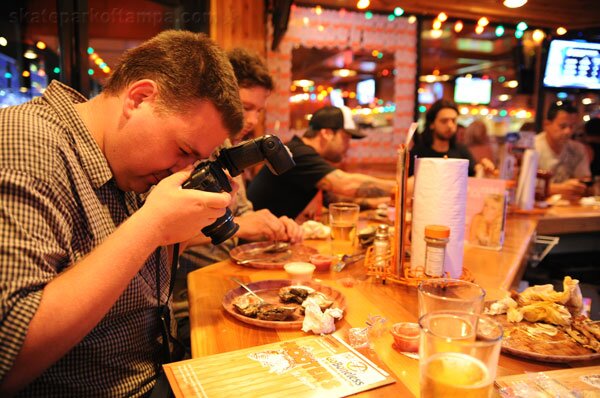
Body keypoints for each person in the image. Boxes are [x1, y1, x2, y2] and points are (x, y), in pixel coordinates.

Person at [0, 30, 243, 396]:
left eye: (195, 160)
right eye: (182, 149)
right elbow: (9, 354)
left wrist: (185, 223)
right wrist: (152, 226)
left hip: (164, 370)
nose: (182, 171)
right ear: (139, 98)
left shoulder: (124, 163)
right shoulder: (27, 143)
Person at [174, 49, 303, 338]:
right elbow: (165, 233)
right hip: (188, 297)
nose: (253, 120)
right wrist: (243, 226)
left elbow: (241, 212)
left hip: (228, 279)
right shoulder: (186, 152)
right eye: (246, 107)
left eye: (259, 110)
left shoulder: (227, 148)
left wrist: (272, 224)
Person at [247, 105, 396, 219]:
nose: (348, 145)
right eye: (346, 138)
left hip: (265, 239)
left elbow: (333, 199)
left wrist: (379, 203)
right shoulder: (297, 153)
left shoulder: (302, 152)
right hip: (251, 243)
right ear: (326, 133)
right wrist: (399, 187)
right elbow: (346, 183)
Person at [409, 100, 495, 177]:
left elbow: (474, 173)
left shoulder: (461, 150)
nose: (450, 126)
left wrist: (483, 167)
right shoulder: (419, 152)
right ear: (432, 124)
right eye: (444, 121)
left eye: (453, 121)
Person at [534, 101, 591, 199]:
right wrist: (559, 188)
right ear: (547, 124)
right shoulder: (532, 148)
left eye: (572, 126)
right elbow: (523, 186)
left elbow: (584, 181)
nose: (568, 131)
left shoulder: (578, 149)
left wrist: (579, 187)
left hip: (568, 209)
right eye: (563, 126)